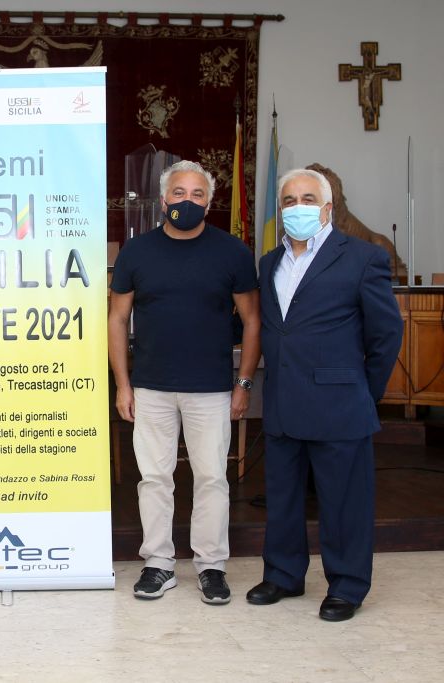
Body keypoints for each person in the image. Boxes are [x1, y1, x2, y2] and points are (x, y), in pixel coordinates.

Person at [246, 168, 403, 622]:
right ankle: (283, 574)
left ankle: (347, 585)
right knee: (282, 497)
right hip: (283, 402)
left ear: (328, 208)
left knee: (344, 502)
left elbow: (385, 334)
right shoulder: (269, 263)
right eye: (289, 201)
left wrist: (364, 391)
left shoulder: (362, 258)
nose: (298, 207)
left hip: (340, 404)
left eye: (308, 199)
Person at [108, 160, 260, 604]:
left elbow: (253, 320)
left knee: (212, 477)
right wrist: (123, 384)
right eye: (179, 192)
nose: (187, 201)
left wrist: (244, 383)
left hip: (211, 388)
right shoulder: (137, 252)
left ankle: (211, 566)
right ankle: (158, 563)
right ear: (163, 200)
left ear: (209, 203)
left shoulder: (232, 252)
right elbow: (117, 319)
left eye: (197, 194)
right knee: (154, 478)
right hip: (151, 386)